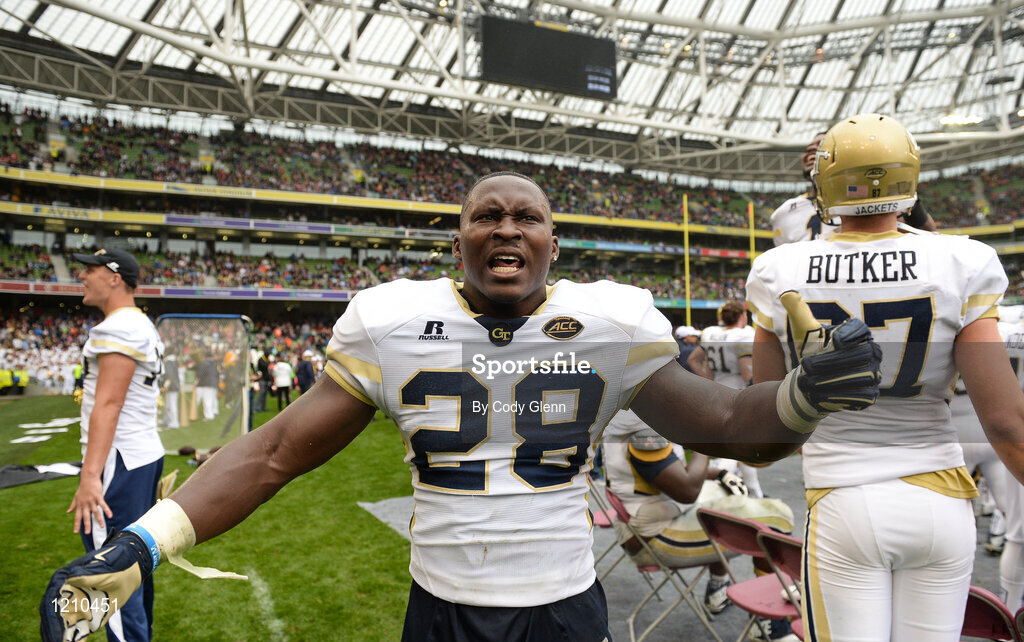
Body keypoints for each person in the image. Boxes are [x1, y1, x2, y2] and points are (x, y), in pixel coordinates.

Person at [42, 172, 883, 642]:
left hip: (564, 604)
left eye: (527, 217)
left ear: (555, 244)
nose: (507, 228)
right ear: (459, 240)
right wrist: (142, 542)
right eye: (488, 216)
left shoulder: (611, 320)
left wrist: (803, 398)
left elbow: (732, 426)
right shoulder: (392, 320)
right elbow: (273, 453)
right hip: (438, 607)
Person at [747, 113, 1024, 641]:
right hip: (943, 500)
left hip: (843, 498)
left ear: (823, 184)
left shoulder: (777, 269)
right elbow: (1008, 423)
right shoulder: (963, 260)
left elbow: (769, 414)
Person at [603, 408, 797, 640]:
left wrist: (716, 474)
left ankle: (718, 589)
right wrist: (704, 439)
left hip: (645, 519)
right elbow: (687, 491)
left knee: (724, 496)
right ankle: (770, 624)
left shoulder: (626, 412)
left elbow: (662, 471)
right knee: (778, 518)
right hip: (657, 536)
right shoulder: (641, 426)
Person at [60, 248, 165, 642]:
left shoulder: (120, 327)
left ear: (115, 277)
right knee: (135, 563)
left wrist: (90, 476)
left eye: (91, 269)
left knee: (109, 574)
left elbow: (108, 403)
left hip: (119, 461)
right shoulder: (141, 325)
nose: (83, 276)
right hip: (141, 454)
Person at [697, 301, 765, 499]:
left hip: (716, 394)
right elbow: (746, 373)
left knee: (729, 446)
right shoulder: (742, 335)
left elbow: (702, 366)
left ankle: (750, 490)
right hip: (738, 395)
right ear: (742, 316)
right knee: (740, 448)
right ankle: (747, 491)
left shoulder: (711, 333)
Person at [194, 351, 219, 421]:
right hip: (214, 382)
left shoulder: (205, 363)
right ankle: (212, 412)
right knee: (211, 399)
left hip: (207, 383)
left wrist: (196, 382)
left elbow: (200, 373)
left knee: (207, 400)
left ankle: (209, 415)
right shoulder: (214, 363)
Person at [161, 354, 180, 429]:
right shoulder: (173, 360)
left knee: (171, 405)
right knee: (169, 404)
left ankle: (174, 422)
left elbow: (169, 375)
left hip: (171, 386)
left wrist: (166, 385)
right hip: (174, 385)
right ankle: (167, 420)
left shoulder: (168, 362)